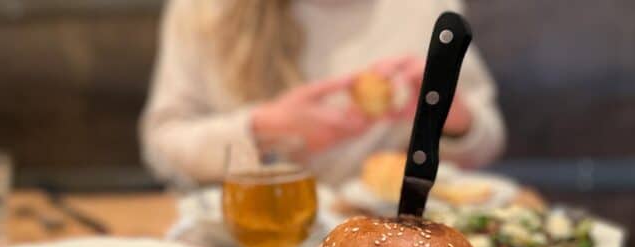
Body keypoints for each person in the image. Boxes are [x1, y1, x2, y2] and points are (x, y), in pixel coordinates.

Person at [140, 0, 505, 185]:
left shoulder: (423, 7)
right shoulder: (204, 10)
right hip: (246, 244)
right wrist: (263, 128)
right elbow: (161, 146)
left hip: (386, 237)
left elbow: (487, 141)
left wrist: (449, 114)